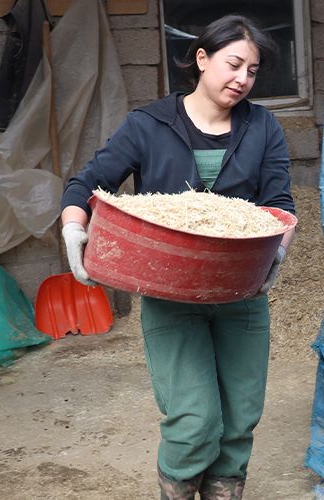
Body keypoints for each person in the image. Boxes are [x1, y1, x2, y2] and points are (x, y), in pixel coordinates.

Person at [59, 14, 296, 500]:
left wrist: (279, 251)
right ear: (203, 59)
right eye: (233, 64)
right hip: (171, 290)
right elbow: (87, 184)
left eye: (252, 71)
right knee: (194, 418)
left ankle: (226, 490)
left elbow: (280, 205)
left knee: (239, 415)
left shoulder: (263, 126)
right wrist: (73, 228)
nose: (242, 79)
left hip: (240, 290)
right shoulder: (148, 125)